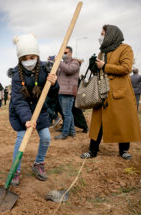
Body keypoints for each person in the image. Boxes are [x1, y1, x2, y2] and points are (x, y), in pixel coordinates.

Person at [81, 25, 141, 160]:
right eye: (101, 34)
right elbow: (100, 70)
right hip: (102, 91)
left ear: (112, 35)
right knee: (98, 122)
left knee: (122, 121)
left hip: (119, 92)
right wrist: (94, 67)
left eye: (103, 34)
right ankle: (92, 150)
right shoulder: (103, 51)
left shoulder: (126, 48)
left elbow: (126, 68)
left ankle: (124, 150)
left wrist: (105, 66)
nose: (101, 37)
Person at [9, 34, 58, 184]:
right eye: (25, 58)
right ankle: (15, 170)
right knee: (22, 137)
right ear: (20, 59)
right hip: (20, 112)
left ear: (37, 55)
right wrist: (27, 119)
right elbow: (18, 101)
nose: (29, 61)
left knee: (46, 137)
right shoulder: (17, 74)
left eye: (32, 57)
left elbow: (53, 92)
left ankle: (39, 164)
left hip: (39, 107)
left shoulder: (45, 68)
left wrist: (54, 83)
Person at [54, 46, 80, 140]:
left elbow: (69, 70)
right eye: (63, 53)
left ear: (71, 53)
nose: (64, 55)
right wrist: (54, 64)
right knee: (68, 113)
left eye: (66, 52)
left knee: (66, 113)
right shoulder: (63, 64)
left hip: (68, 91)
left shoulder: (75, 63)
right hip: (61, 91)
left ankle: (65, 133)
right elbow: (57, 73)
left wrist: (59, 62)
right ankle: (72, 131)